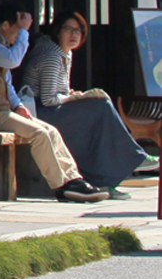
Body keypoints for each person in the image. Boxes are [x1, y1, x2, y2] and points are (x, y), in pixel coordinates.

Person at [0, 4, 106, 203]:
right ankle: (60, 185)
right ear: (5, 25)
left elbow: (7, 83)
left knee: (52, 131)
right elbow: (13, 61)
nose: (19, 37)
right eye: (18, 30)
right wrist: (24, 33)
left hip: (3, 110)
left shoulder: (2, 45)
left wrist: (18, 105)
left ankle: (74, 179)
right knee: (40, 134)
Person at [25, 12, 152, 193]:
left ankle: (105, 180)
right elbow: (48, 99)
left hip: (51, 109)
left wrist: (73, 96)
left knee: (99, 114)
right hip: (39, 112)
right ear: (57, 31)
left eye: (78, 31)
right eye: (68, 29)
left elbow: (60, 92)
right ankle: (135, 158)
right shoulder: (51, 56)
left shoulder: (64, 53)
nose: (74, 35)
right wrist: (76, 98)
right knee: (101, 107)